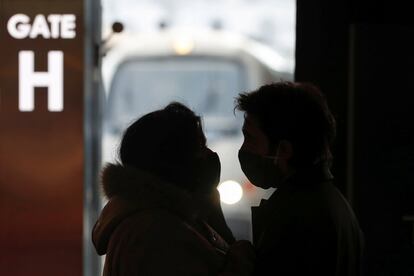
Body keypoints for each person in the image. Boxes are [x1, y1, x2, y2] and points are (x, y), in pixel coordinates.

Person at [92, 102, 255, 276]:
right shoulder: (158, 234)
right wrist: (242, 254)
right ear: (174, 161)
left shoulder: (159, 218)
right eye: (199, 147)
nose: (210, 155)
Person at [235, 82, 364, 275]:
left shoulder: (293, 218)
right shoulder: (337, 206)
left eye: (251, 138)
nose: (244, 149)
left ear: (284, 150)